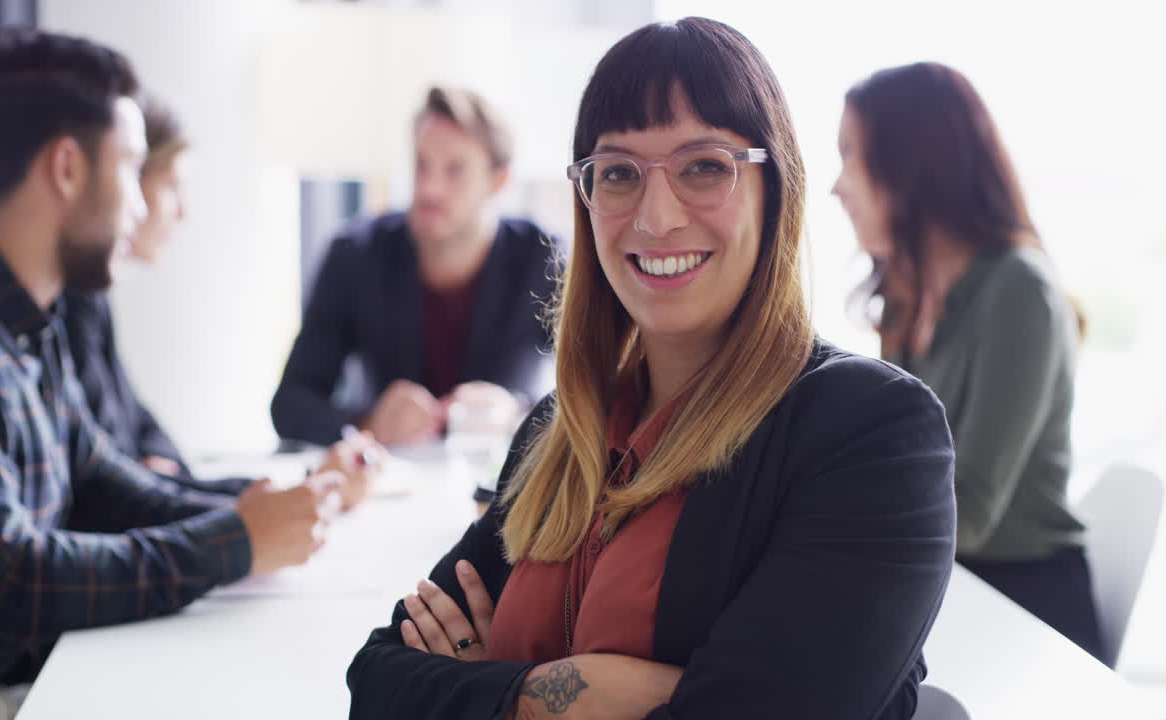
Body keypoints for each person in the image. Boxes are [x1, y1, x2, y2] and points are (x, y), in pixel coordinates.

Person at [347, 17, 957, 719]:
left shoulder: (869, 433)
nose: (657, 216)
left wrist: (495, 685)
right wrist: (566, 696)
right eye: (619, 174)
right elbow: (376, 678)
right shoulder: (559, 432)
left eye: (704, 167)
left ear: (776, 189)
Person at [0, 28, 376, 717]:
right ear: (68, 169)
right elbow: (8, 587)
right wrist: (232, 541)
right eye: (131, 167)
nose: (139, 204)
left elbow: (101, 480)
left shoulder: (26, 322)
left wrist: (265, 506)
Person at [832, 61, 1105, 663]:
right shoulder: (904, 292)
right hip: (947, 589)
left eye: (851, 154)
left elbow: (970, 512)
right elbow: (897, 463)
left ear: (912, 166)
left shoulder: (1019, 290)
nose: (836, 186)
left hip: (1029, 609)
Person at [271, 86, 558, 448]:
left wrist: (517, 415)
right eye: (422, 164)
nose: (429, 188)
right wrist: (369, 422)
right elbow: (291, 404)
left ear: (498, 181)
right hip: (387, 485)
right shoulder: (355, 255)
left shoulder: (545, 259)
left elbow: (604, 394)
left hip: (503, 486)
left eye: (455, 171)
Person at [60, 93, 243, 494]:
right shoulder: (67, 304)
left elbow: (137, 420)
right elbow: (111, 469)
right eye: (172, 187)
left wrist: (167, 467)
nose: (183, 212)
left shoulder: (92, 297)